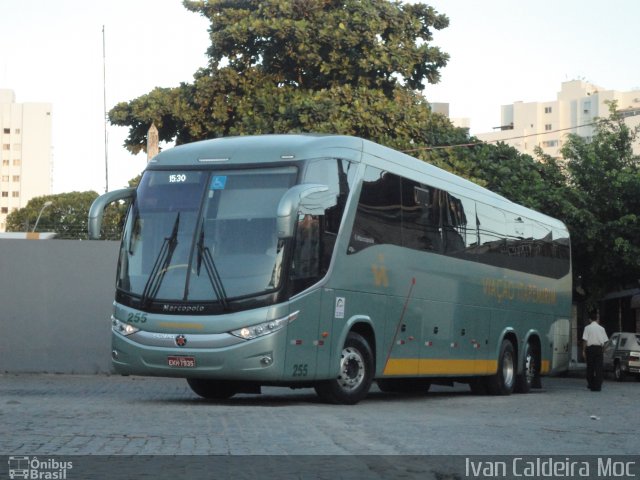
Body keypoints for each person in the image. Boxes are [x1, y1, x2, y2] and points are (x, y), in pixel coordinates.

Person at [582, 311, 608, 391]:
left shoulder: (587, 328)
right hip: (599, 349)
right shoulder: (602, 328)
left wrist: (583, 350)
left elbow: (585, 340)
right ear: (596, 319)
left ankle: (591, 384)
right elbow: (606, 341)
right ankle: (598, 386)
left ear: (590, 319)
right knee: (598, 368)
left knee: (590, 367)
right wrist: (603, 349)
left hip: (590, 349)